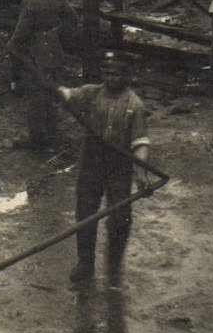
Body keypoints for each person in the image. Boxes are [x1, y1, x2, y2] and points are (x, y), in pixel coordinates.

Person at [56, 53, 152, 285]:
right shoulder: (92, 93)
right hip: (91, 161)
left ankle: (114, 264)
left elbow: (140, 143)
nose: (110, 78)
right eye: (107, 73)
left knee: (120, 217)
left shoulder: (134, 105)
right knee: (85, 212)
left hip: (119, 165)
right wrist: (56, 90)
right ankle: (85, 263)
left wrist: (141, 173)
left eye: (116, 74)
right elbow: (69, 94)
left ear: (126, 77)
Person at [8, 0, 78, 151]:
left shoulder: (30, 0)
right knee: (52, 89)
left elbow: (21, 33)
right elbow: (73, 20)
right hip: (55, 50)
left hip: (36, 51)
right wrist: (56, 34)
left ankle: (38, 139)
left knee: (36, 93)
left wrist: (13, 46)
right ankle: (52, 133)